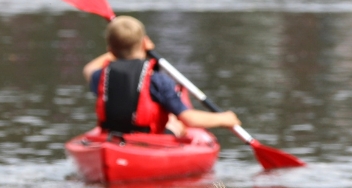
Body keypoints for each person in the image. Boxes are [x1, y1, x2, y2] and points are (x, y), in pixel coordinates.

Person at [82, 14, 240, 140]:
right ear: (144, 43)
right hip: (149, 142)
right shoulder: (158, 80)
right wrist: (224, 119)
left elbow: (89, 69)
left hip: (113, 139)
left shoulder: (101, 76)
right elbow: (190, 119)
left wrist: (116, 49)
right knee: (175, 124)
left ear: (110, 50)